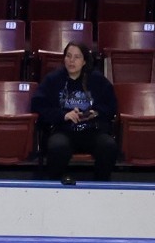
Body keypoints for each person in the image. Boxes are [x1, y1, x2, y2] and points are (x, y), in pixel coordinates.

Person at [33, 41, 119, 184]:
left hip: (92, 130)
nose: (71, 61)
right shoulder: (53, 79)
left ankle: (101, 185)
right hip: (63, 130)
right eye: (68, 56)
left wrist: (95, 113)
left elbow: (111, 106)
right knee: (57, 146)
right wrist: (63, 115)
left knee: (108, 146)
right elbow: (38, 105)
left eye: (77, 57)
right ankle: (55, 185)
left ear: (85, 61)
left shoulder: (97, 80)